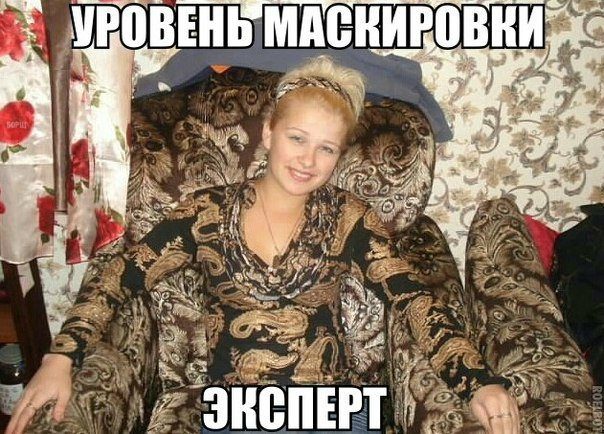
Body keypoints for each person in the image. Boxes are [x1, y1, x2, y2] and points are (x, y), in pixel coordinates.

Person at [8, 56, 520, 434]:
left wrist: (477, 381)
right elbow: (121, 275)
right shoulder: (205, 212)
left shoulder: (350, 218)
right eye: (297, 138)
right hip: (236, 412)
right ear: (270, 132)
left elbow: (414, 300)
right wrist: (60, 358)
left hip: (334, 410)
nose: (308, 161)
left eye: (326, 148)